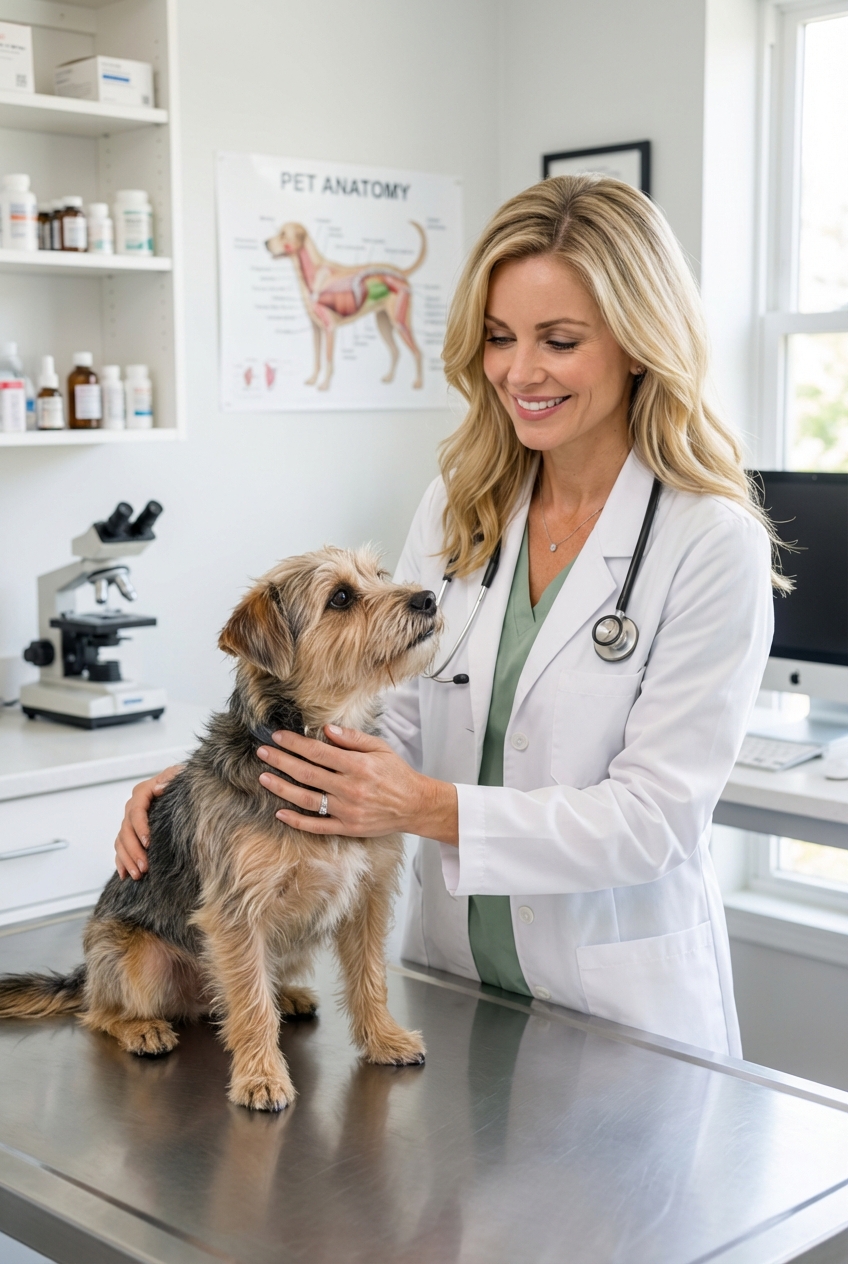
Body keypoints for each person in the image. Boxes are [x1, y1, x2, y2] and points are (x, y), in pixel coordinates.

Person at [115, 175, 776, 1056]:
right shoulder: (461, 504)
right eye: (499, 338)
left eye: (561, 340)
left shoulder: (709, 541)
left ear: (639, 343)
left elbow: (654, 820)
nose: (519, 371)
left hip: (620, 1002)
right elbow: (394, 727)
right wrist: (212, 795)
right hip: (457, 977)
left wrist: (432, 809)